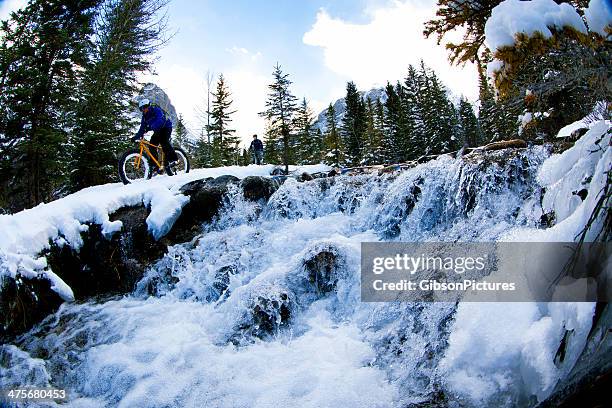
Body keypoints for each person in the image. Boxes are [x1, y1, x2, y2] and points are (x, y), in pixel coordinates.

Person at [132, 99, 178, 171]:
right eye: (141, 109)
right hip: (157, 130)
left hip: (166, 127)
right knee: (152, 145)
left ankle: (174, 159)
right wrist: (136, 137)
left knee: (164, 141)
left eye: (144, 107)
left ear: (148, 106)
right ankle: (155, 164)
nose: (144, 110)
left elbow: (159, 120)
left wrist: (150, 127)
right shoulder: (144, 117)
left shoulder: (155, 109)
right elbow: (142, 128)